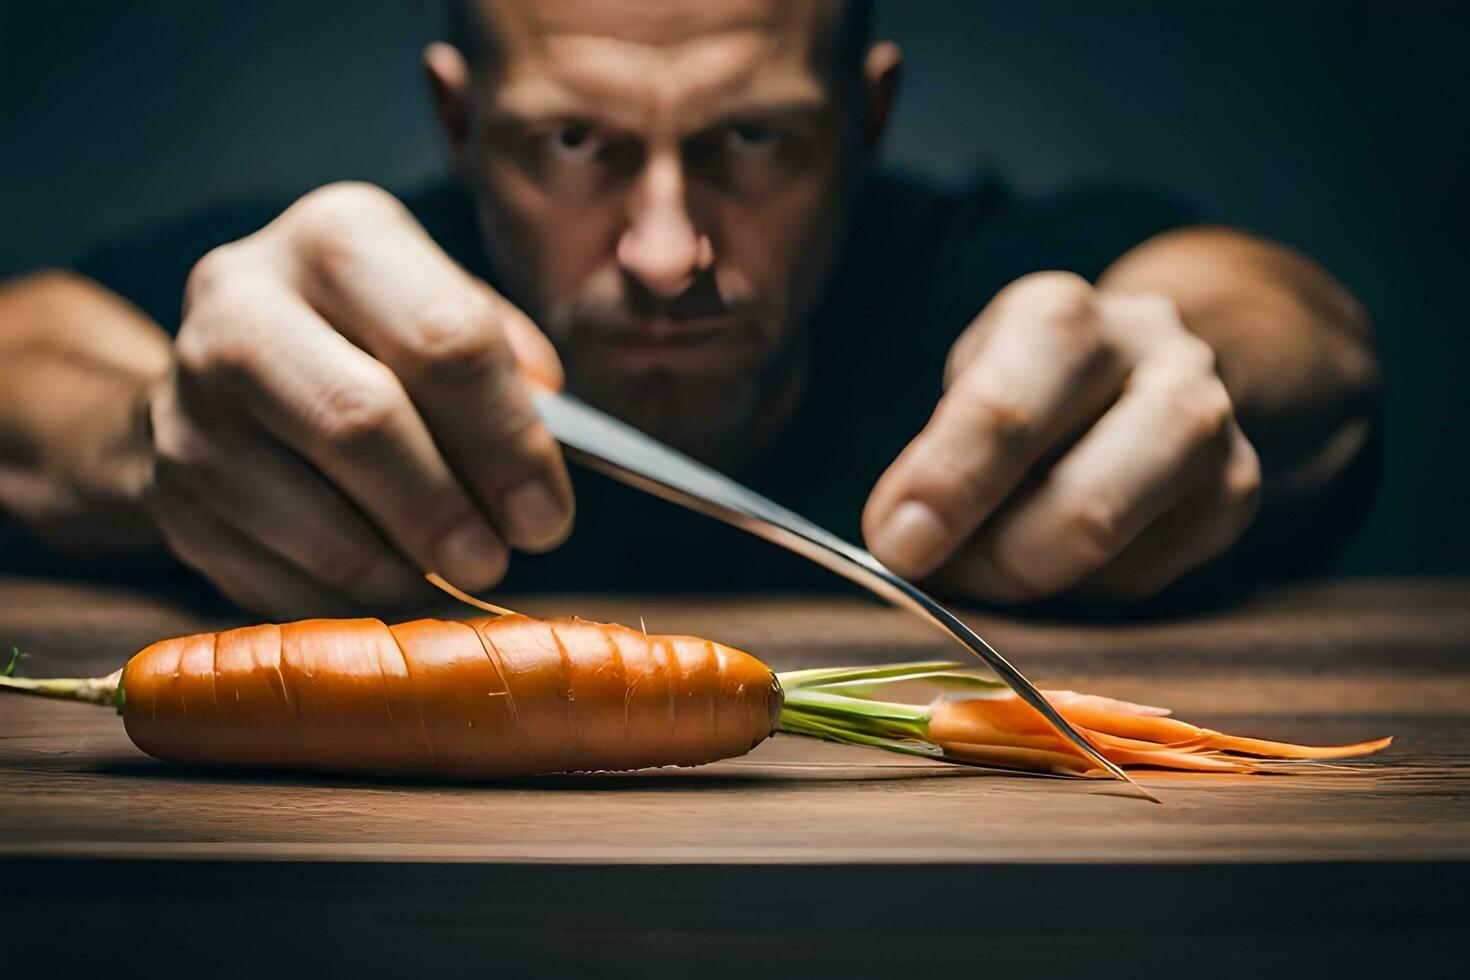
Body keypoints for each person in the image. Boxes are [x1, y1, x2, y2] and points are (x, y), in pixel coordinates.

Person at [0, 0, 1378, 617]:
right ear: (460, 122)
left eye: (754, 142)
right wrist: (149, 433)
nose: (667, 253)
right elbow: (26, 349)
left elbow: (1294, 326)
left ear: (864, 115)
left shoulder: (978, 269)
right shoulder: (337, 293)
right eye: (572, 146)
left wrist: (1190, 371)